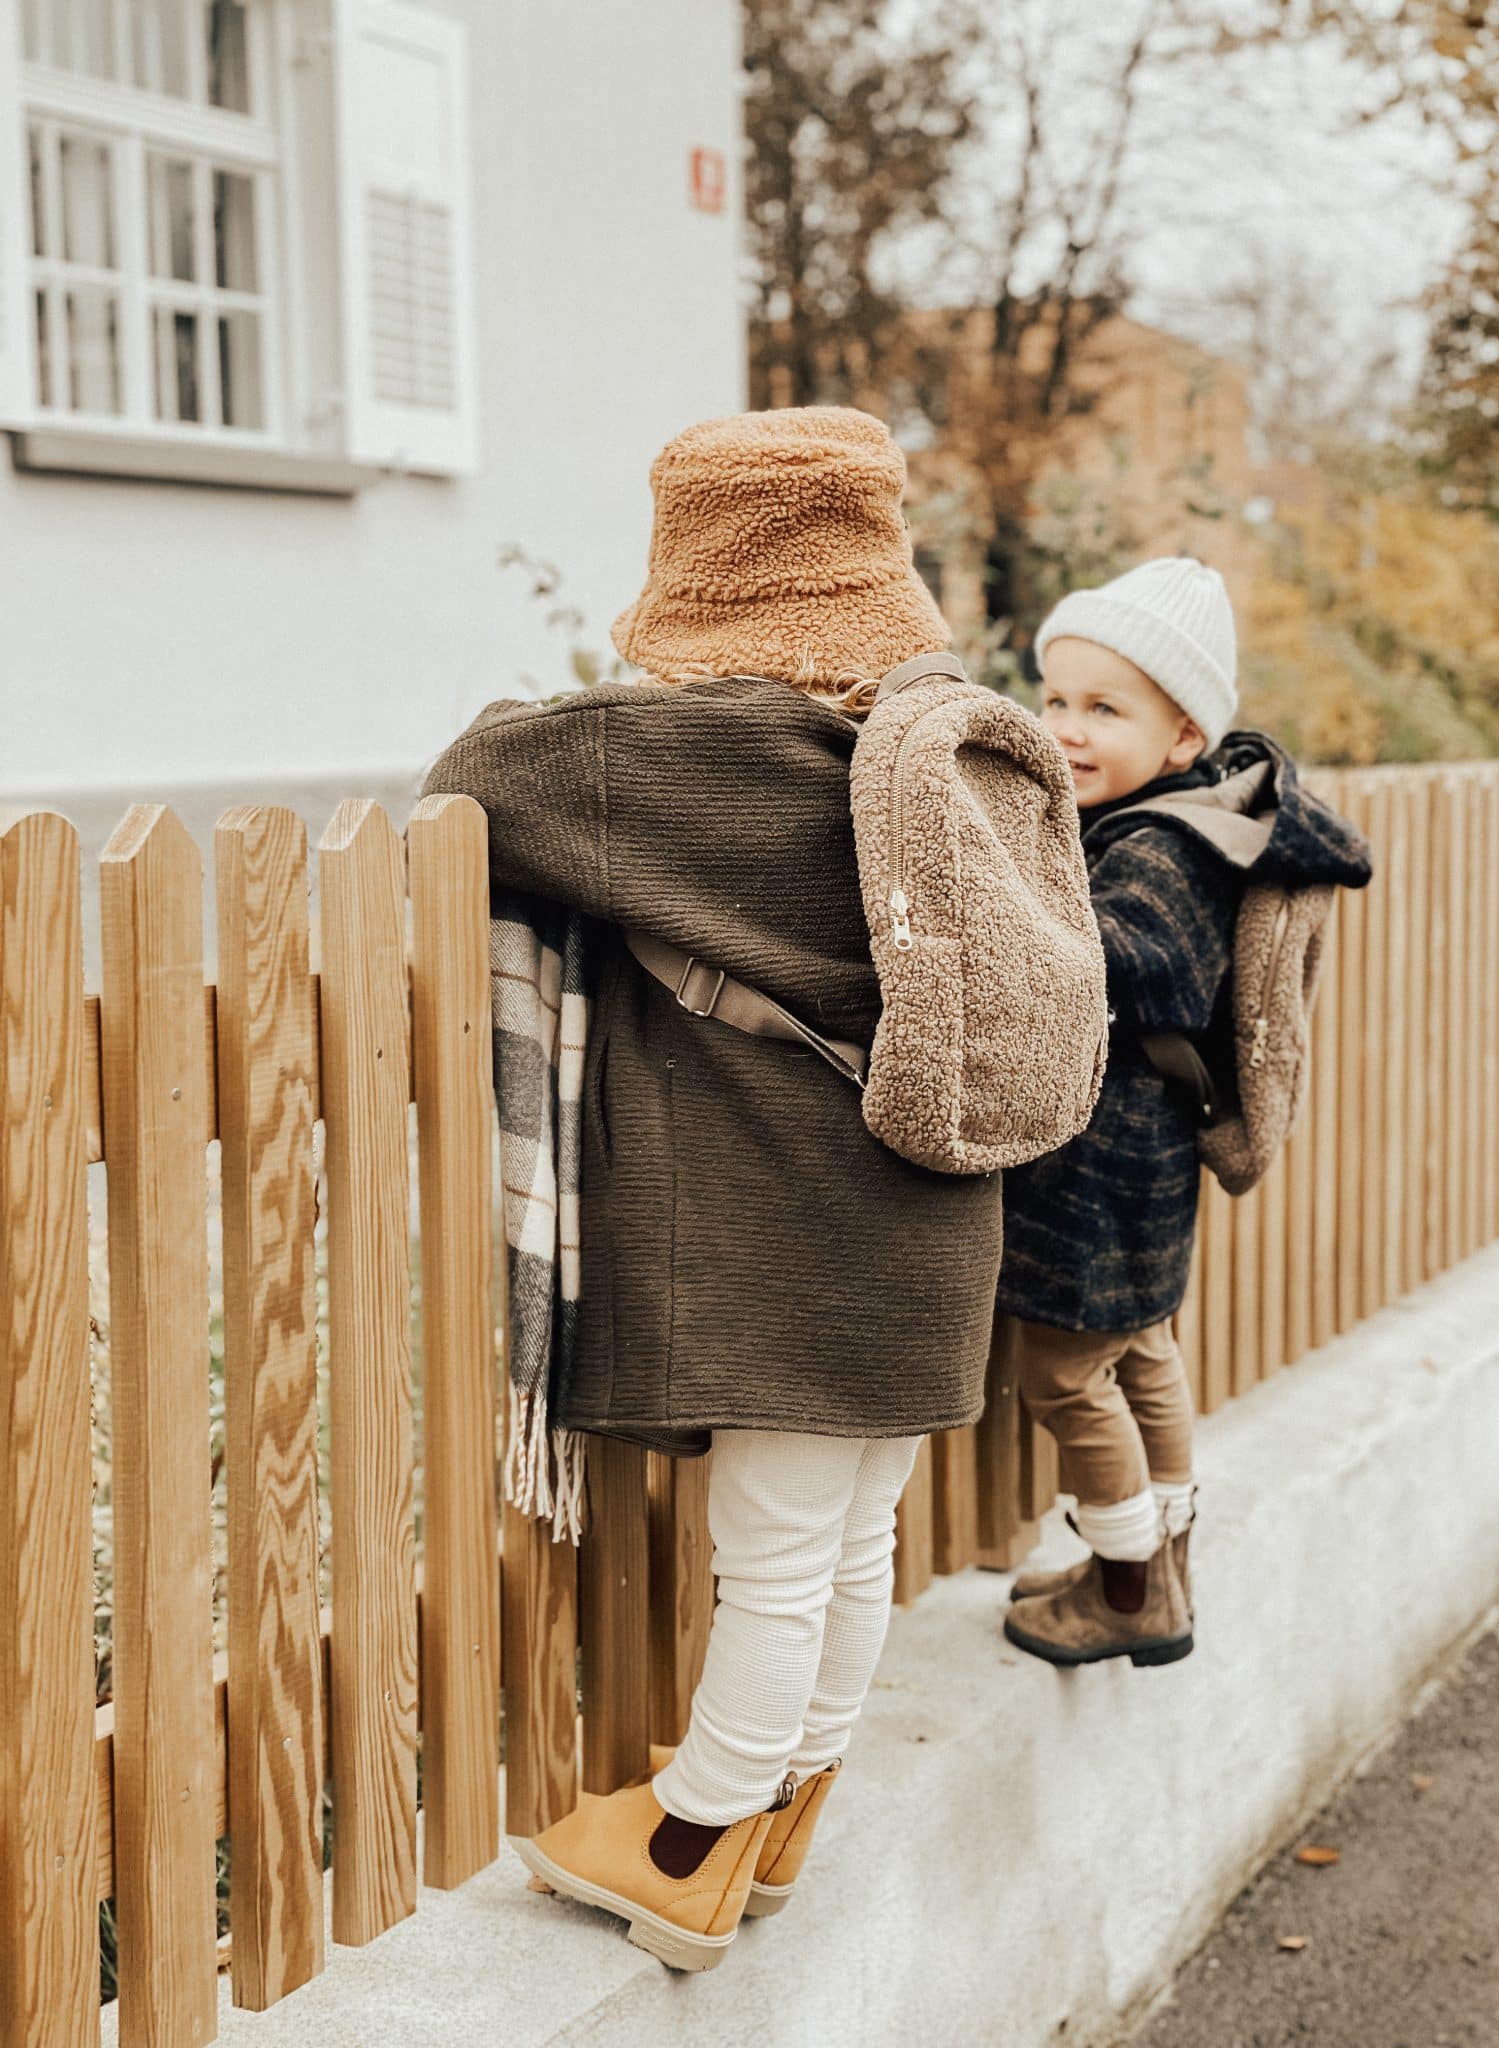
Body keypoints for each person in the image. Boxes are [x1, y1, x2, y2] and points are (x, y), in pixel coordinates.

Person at [423, 407, 1002, 1969]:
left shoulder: (677, 755)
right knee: (857, 1536)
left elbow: (473, 775)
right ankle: (788, 1805)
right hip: (937, 1230)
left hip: (788, 1249)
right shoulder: (946, 750)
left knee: (772, 1556)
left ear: (700, 574)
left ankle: (690, 1839)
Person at [1000, 556, 1369, 1669]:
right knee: (1145, 1353)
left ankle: (1127, 1589)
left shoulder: (1162, 845)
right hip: (1143, 1158)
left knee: (1065, 1375)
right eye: (1055, 698)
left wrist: (1009, 906)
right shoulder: (1182, 817)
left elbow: (1139, 966)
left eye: (1103, 709)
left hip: (1101, 1166)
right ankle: (1161, 1563)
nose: (1065, 728)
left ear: (1183, 736)